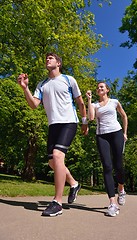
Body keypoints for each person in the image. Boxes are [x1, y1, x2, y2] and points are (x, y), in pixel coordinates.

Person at [18, 52, 88, 217]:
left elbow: (80, 102)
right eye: (46, 58)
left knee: (57, 157)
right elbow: (34, 104)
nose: (47, 60)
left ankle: (57, 202)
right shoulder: (42, 84)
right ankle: (74, 183)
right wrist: (25, 88)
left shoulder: (69, 80)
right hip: (53, 125)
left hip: (69, 122)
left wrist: (85, 122)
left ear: (59, 63)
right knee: (52, 163)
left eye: (51, 58)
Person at [86, 82, 128, 217]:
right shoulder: (94, 105)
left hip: (116, 133)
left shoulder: (114, 102)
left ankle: (121, 188)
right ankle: (112, 203)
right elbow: (91, 118)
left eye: (101, 87)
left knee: (119, 166)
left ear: (107, 90)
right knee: (107, 167)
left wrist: (125, 133)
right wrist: (89, 100)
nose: (99, 89)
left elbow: (124, 116)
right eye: (98, 88)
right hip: (101, 136)